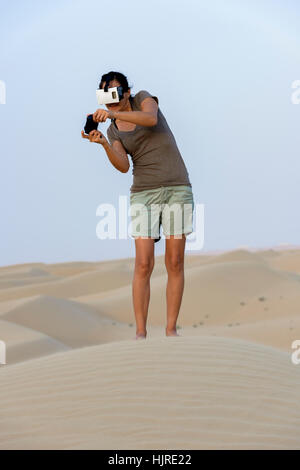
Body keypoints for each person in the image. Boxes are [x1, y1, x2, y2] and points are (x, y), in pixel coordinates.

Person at [81, 71, 194, 339]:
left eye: (115, 93)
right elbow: (123, 166)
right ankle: (141, 334)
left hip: (177, 187)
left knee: (175, 261)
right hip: (143, 193)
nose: (110, 100)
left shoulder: (144, 99)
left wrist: (113, 114)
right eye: (104, 95)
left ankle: (171, 331)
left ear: (127, 93)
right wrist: (105, 144)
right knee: (143, 264)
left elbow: (150, 118)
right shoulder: (113, 128)